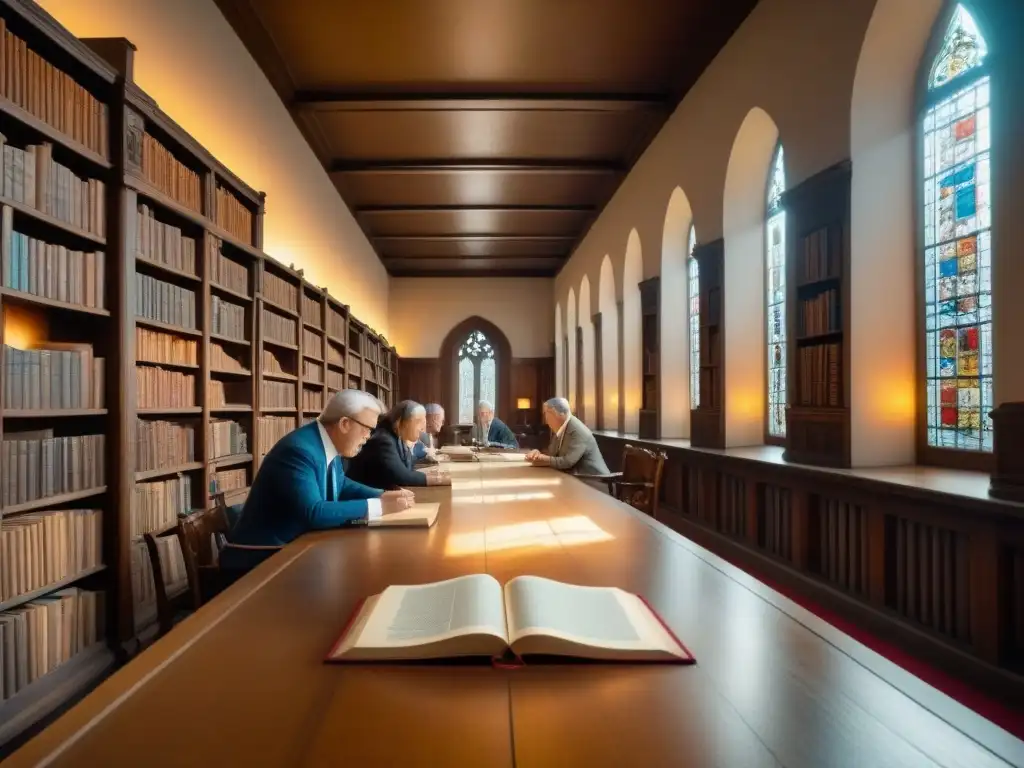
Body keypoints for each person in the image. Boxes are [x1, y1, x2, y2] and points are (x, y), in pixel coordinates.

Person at [220, 390, 415, 575]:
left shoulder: (325, 442)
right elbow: (313, 512)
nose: (368, 437)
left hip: (295, 549)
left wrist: (381, 494)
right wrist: (378, 506)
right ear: (345, 423)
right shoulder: (299, 451)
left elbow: (341, 483)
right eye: (367, 429)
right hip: (260, 560)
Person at [347, 400, 452, 488]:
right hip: (367, 496)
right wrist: (440, 479)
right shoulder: (382, 440)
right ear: (402, 422)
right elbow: (402, 477)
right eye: (418, 422)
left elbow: (407, 466)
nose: (422, 428)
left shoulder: (397, 435)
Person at [525, 397, 610, 475]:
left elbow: (567, 462)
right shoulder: (562, 427)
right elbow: (553, 455)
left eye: (546, 413)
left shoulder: (578, 430)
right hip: (573, 477)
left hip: (594, 482)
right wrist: (538, 454)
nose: (546, 419)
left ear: (555, 412)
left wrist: (543, 458)